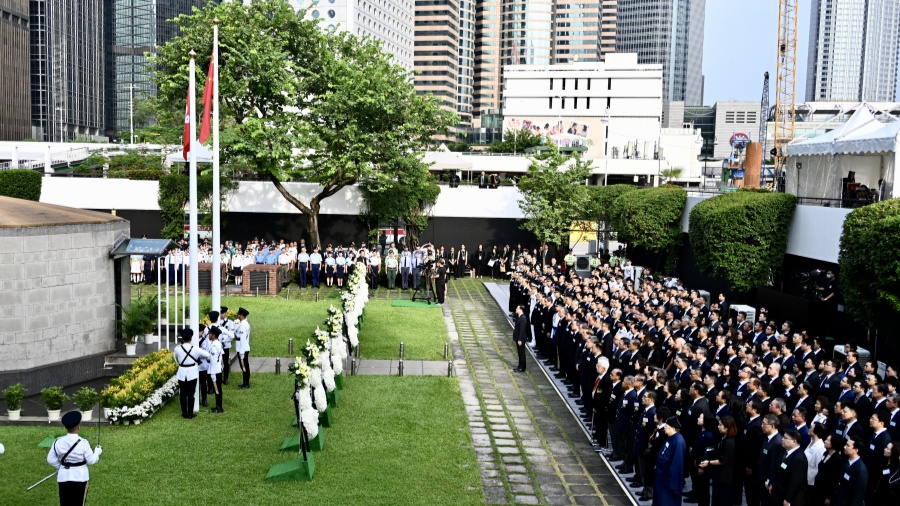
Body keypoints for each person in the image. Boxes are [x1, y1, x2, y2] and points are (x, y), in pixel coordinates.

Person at [47, 411, 102, 506]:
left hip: (63, 477)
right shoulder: (83, 443)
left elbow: (50, 459)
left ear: (65, 427)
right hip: (80, 477)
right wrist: (97, 452)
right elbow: (91, 461)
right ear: (78, 426)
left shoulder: (58, 442)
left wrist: (62, 467)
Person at [700, 415, 737, 506]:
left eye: (720, 425)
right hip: (718, 476)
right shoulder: (722, 438)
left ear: (727, 428)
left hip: (724, 478)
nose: (718, 427)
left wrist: (708, 462)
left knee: (722, 500)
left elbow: (722, 461)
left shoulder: (729, 442)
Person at [173, 328, 210, 418]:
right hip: (192, 372)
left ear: (182, 338)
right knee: (191, 393)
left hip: (182, 372)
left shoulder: (177, 349)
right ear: (191, 338)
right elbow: (207, 355)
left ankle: (184, 413)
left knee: (182, 393)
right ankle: (190, 413)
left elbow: (175, 358)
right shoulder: (195, 349)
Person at [769, 429, 809, 506]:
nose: (782, 439)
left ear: (794, 441)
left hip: (788, 498)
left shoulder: (799, 459)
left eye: (785, 438)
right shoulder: (784, 451)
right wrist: (772, 483)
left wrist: (788, 499)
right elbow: (777, 469)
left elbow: (795, 482)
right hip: (778, 492)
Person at [655, 416, 686, 506]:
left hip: (668, 480)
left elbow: (676, 464)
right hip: (661, 476)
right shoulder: (670, 437)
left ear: (673, 428)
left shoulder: (678, 442)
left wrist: (670, 481)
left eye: (666, 426)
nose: (664, 427)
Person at [811, 434, 847, 506]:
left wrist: (829, 497)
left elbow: (834, 480)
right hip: (817, 488)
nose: (825, 441)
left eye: (828, 440)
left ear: (834, 443)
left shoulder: (838, 460)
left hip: (825, 492)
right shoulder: (825, 453)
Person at [832, 437, 867, 506]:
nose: (844, 447)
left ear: (856, 450)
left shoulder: (860, 470)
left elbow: (857, 496)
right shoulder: (846, 462)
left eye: (848, 445)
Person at [207, 326, 224, 413]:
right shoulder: (217, 343)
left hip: (215, 370)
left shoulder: (214, 346)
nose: (209, 335)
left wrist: (213, 374)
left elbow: (213, 360)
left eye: (210, 334)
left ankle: (219, 407)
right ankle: (218, 406)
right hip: (217, 369)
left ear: (213, 335)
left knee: (217, 390)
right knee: (218, 389)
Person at [235, 307, 251, 389]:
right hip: (243, 348)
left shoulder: (243, 326)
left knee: (244, 366)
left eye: (238, 314)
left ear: (241, 315)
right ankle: (245, 382)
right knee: (244, 366)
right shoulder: (244, 324)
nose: (237, 315)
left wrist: (241, 352)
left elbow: (243, 339)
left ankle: (246, 384)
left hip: (242, 348)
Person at [512, 305, 528, 372]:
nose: (516, 309)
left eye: (517, 308)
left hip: (520, 338)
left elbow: (522, 330)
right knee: (519, 353)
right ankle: (520, 366)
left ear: (521, 309)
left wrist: (520, 339)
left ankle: (522, 367)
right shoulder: (519, 317)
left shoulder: (523, 318)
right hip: (518, 337)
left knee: (521, 353)